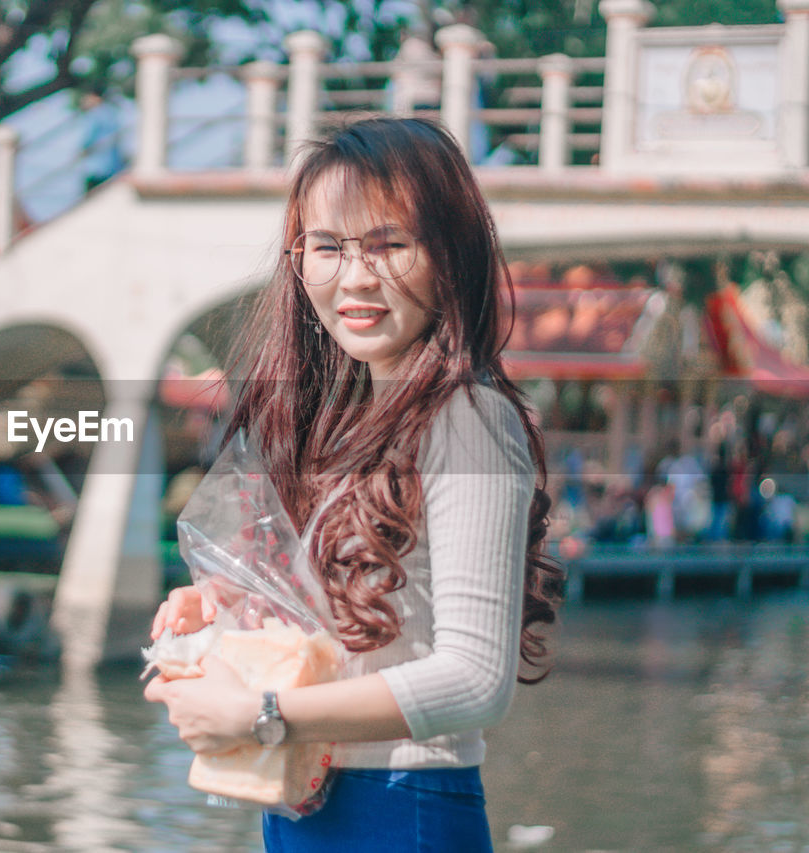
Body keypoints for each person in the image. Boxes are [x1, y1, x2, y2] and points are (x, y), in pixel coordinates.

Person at [143, 117, 562, 851]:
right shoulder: (358, 418)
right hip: (314, 798)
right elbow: (379, 630)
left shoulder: (467, 416)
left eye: (389, 244)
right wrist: (231, 608)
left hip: (400, 807)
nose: (356, 277)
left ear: (450, 256)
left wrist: (260, 713)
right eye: (329, 246)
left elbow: (473, 680)